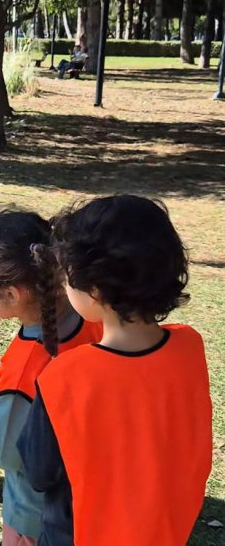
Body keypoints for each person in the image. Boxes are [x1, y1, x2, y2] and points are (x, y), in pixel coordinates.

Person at [17, 195, 213, 546]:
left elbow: (39, 472)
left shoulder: (65, 376)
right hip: (164, 531)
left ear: (93, 289)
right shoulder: (189, 347)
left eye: (66, 276)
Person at [0, 209, 103, 546]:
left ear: (11, 294)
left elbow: (7, 453)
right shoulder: (92, 318)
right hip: (88, 493)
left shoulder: (25, 371)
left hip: (33, 515)